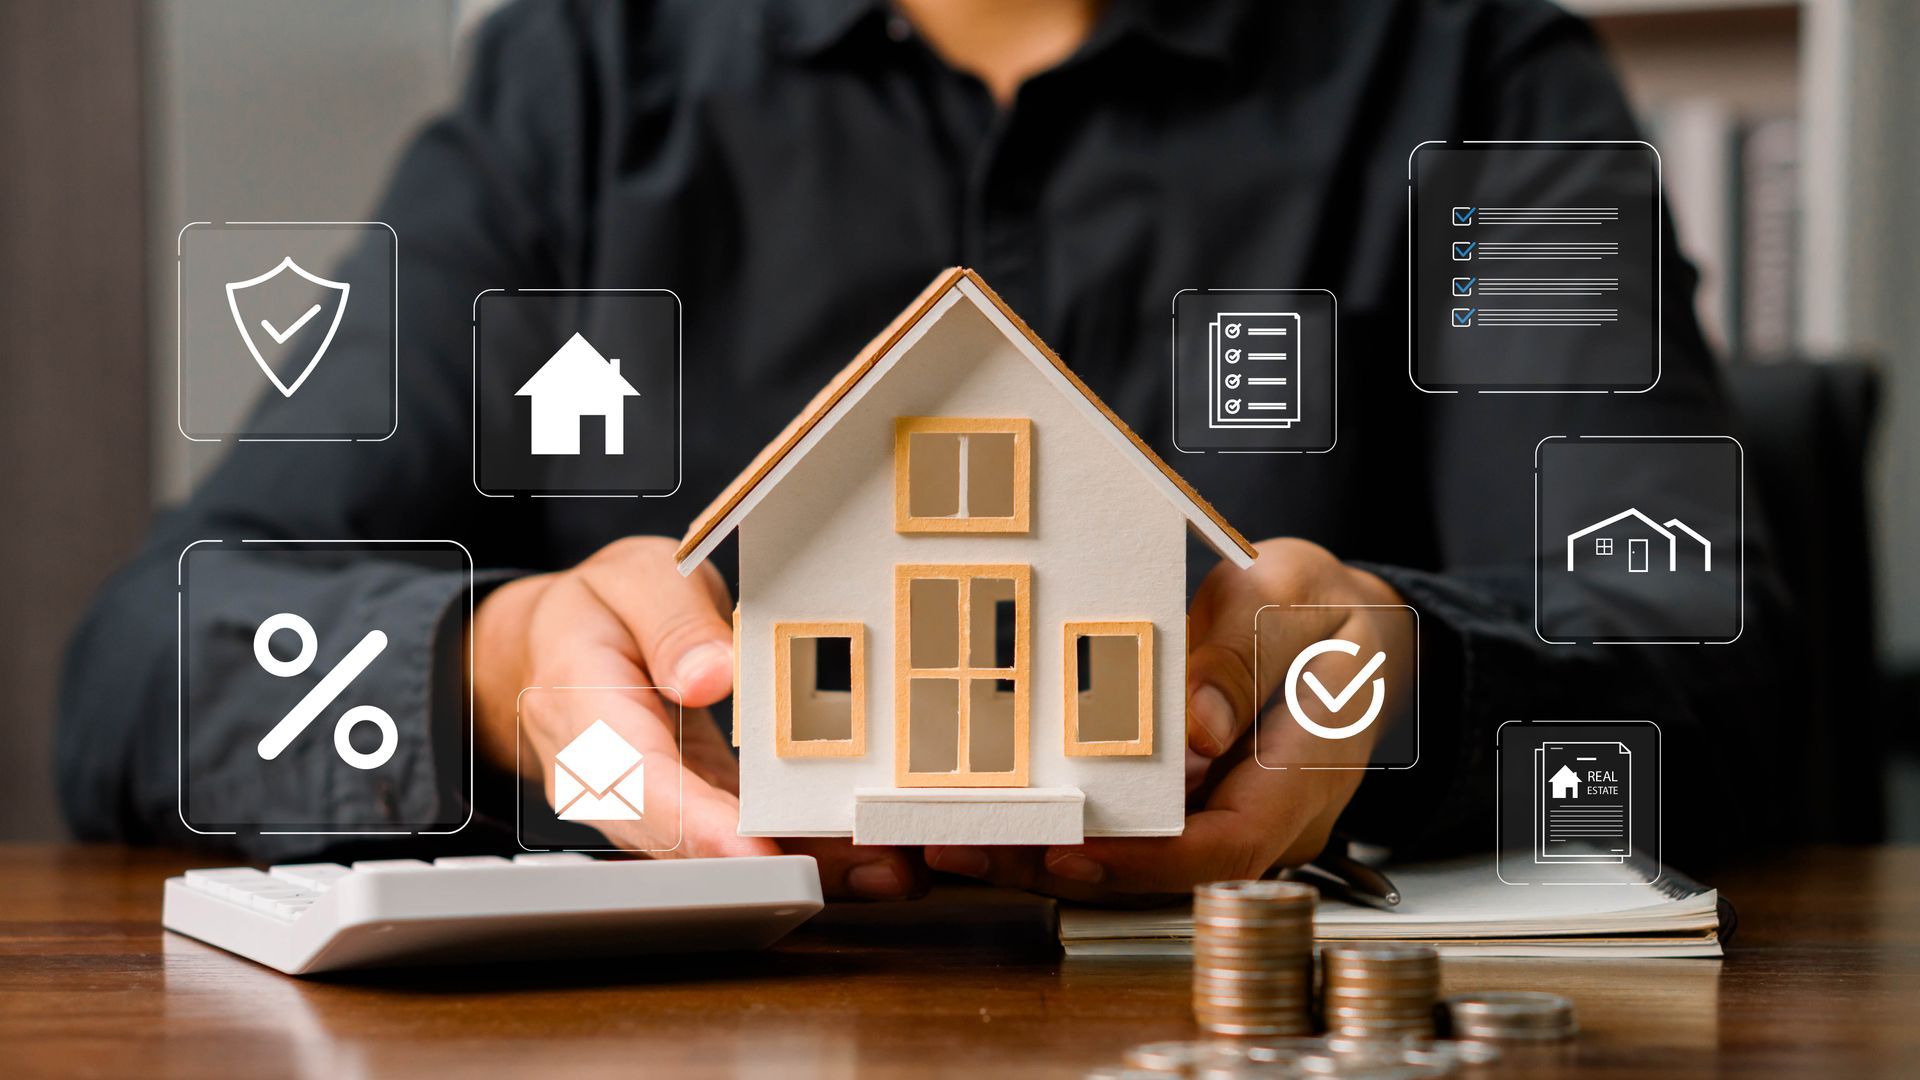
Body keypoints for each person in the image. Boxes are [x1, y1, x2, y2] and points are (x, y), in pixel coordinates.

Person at [60, 0, 1792, 901]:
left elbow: (1712, 656)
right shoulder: (575, 91)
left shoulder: (1480, 74)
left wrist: (1397, 675)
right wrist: (499, 671)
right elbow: (145, 669)